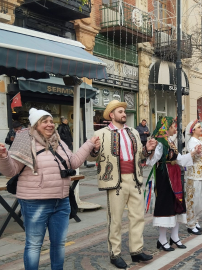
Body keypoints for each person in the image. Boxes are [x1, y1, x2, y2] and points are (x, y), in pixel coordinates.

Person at [0, 108, 99, 270]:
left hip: (61, 202)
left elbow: (72, 162)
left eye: (51, 121)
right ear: (36, 124)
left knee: (59, 244)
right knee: (34, 245)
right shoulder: (25, 140)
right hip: (34, 203)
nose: (49, 124)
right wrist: (4, 157)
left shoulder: (58, 141)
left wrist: (89, 144)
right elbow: (11, 171)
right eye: (45, 121)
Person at [87, 100, 157, 269]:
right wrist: (94, 149)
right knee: (115, 219)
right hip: (114, 181)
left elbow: (140, 156)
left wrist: (147, 148)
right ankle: (115, 253)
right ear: (112, 115)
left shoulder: (132, 131)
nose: (124, 114)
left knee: (137, 217)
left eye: (124, 111)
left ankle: (136, 250)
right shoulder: (100, 133)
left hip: (134, 179)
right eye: (120, 111)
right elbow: (91, 157)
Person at [146, 117, 201, 251]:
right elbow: (151, 161)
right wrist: (150, 152)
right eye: (173, 126)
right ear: (166, 127)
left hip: (175, 177)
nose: (175, 128)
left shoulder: (169, 141)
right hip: (164, 177)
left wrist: (193, 153)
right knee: (166, 206)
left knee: (177, 205)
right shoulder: (160, 142)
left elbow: (179, 159)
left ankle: (175, 237)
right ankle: (162, 239)